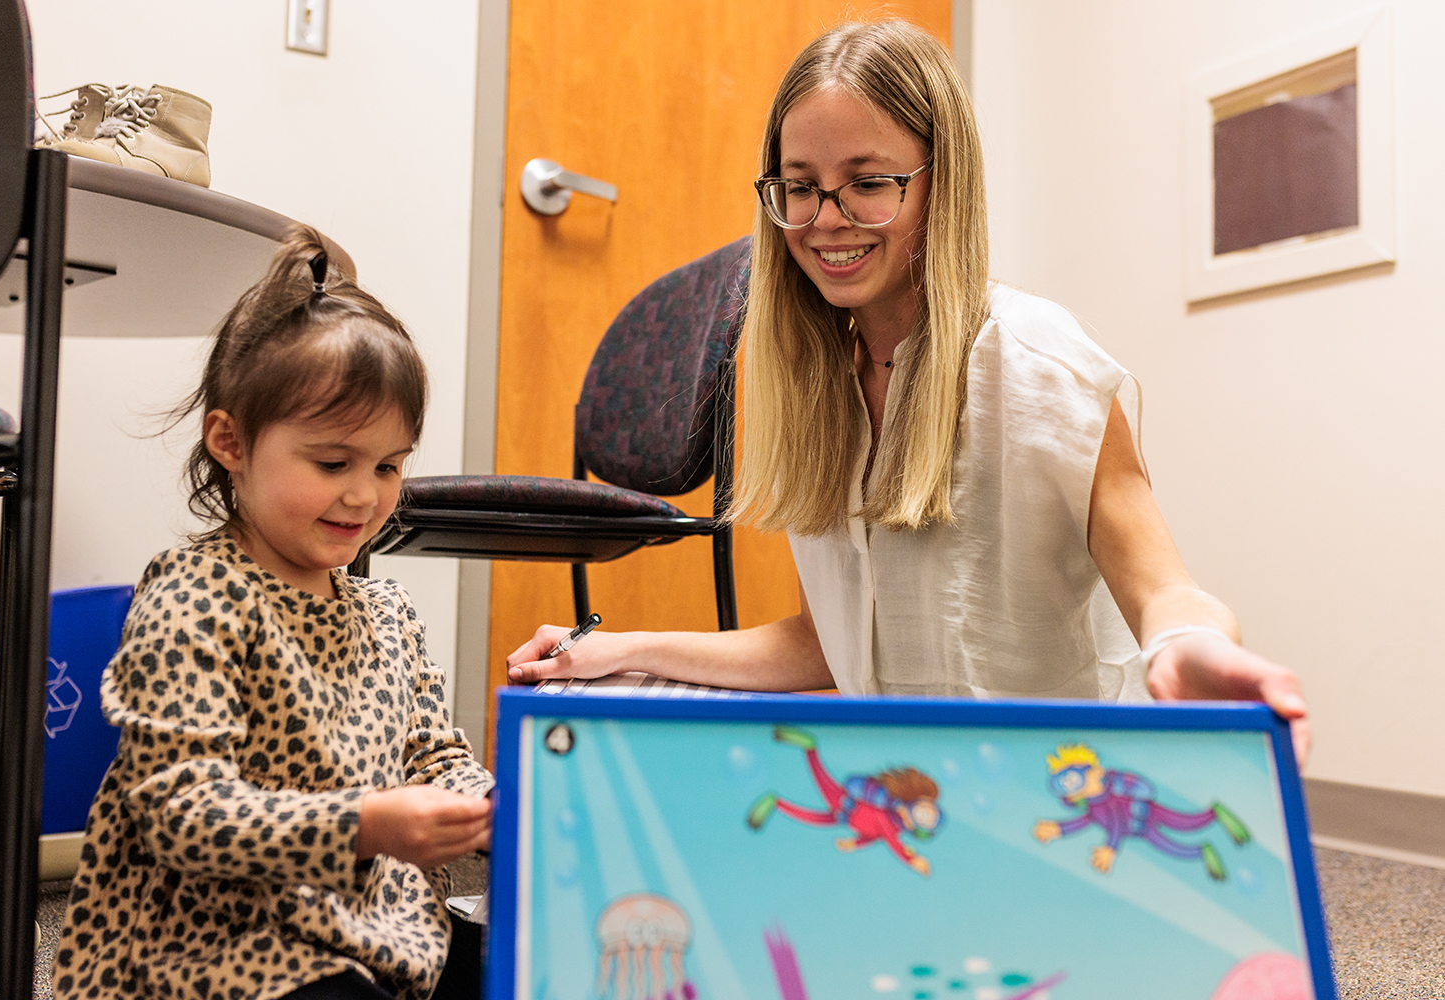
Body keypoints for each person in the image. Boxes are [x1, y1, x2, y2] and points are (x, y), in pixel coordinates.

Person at [506, 20, 1310, 762]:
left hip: (1056, 792)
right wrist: (623, 649)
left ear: (940, 181)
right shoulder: (817, 389)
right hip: (905, 798)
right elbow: (836, 643)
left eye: (868, 182)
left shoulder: (1041, 366)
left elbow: (1165, 591)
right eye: (801, 184)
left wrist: (1190, 648)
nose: (825, 219)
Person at [54, 227, 493, 1000]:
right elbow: (180, 813)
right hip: (211, 949)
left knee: (523, 963)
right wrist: (364, 825)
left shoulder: (387, 611)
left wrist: (487, 801)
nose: (365, 495)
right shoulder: (196, 598)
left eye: (389, 465)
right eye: (332, 463)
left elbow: (432, 754)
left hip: (371, 926)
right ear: (231, 442)